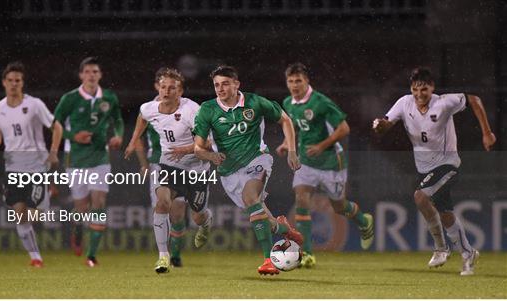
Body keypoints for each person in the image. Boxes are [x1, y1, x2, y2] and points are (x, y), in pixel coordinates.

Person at [373, 67, 496, 276]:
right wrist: (379, 125)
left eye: (424, 89)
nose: (419, 94)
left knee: (420, 197)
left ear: (432, 88)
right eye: (415, 89)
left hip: (448, 164)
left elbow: (474, 100)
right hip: (424, 169)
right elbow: (386, 123)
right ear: (411, 89)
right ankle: (468, 253)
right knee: (446, 215)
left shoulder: (444, 102)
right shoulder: (404, 103)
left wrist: (487, 132)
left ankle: (441, 248)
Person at [193, 65, 303, 275]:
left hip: (257, 159)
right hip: (228, 173)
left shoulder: (254, 102)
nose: (220, 89)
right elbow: (197, 147)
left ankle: (267, 261)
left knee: (251, 198)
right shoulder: (208, 109)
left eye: (225, 83)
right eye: (216, 85)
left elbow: (285, 119)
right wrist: (210, 155)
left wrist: (291, 150)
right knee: (262, 217)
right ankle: (283, 228)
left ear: (237, 84)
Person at [277, 63, 374, 268]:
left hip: (331, 162)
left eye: (298, 81)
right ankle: (307, 254)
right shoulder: (288, 102)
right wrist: (287, 144)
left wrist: (321, 146)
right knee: (301, 200)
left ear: (307, 81)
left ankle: (364, 222)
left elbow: (344, 129)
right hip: (306, 163)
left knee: (339, 206)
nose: (294, 85)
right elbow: (295, 127)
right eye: (291, 81)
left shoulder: (321, 103)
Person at [125, 68, 213, 274]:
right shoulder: (150, 107)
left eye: (171, 88)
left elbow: (207, 143)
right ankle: (164, 256)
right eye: (163, 87)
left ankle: (206, 223)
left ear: (180, 91)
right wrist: (133, 140)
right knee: (163, 203)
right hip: (166, 164)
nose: (166, 91)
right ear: (158, 87)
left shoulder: (192, 110)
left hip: (194, 167)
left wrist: (183, 149)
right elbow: (142, 117)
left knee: (196, 215)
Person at [0, 62, 63, 267]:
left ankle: (47, 197)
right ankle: (36, 258)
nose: (14, 84)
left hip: (36, 165)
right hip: (13, 167)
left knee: (38, 214)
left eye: (18, 80)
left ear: (22, 83)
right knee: (19, 215)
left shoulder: (34, 105)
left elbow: (57, 127)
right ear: (4, 83)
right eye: (10, 81)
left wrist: (53, 152)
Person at [53, 57, 124, 267]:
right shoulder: (70, 98)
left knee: (99, 203)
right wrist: (73, 135)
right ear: (81, 75)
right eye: (87, 72)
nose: (91, 75)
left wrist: (118, 135)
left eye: (95, 71)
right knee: (81, 208)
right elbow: (54, 124)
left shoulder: (109, 97)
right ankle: (77, 228)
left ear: (100, 75)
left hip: (100, 158)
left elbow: (118, 119)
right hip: (75, 159)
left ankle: (91, 255)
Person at [135, 123, 188, 268]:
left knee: (177, 214)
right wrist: (144, 164)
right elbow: (137, 137)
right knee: (162, 205)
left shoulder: (185, 109)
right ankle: (163, 255)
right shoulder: (149, 110)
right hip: (158, 164)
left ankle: (176, 256)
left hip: (181, 165)